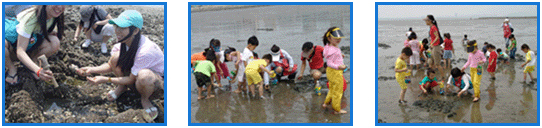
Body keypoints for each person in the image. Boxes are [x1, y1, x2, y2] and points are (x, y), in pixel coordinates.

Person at [76, 10, 164, 120]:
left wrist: (106, 79)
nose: (117, 31)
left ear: (135, 30)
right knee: (115, 58)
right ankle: (122, 87)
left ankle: (145, 99)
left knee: (144, 76)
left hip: (154, 83)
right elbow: (110, 65)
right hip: (135, 76)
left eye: (122, 28)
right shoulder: (121, 43)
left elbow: (131, 79)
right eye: (116, 26)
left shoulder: (145, 51)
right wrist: (92, 69)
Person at [5, 5, 65, 86]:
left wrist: (48, 32)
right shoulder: (32, 18)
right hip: (11, 46)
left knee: (54, 42)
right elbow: (20, 51)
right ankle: (11, 68)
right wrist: (38, 71)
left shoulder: (54, 16)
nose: (59, 7)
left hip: (29, 43)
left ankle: (32, 62)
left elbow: (39, 29)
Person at [321, 27, 348, 114]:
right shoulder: (333, 50)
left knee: (332, 88)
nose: (338, 40)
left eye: (339, 38)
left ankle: (326, 102)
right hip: (335, 72)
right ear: (329, 38)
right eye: (336, 38)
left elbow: (332, 58)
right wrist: (339, 67)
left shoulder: (328, 47)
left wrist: (340, 56)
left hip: (330, 72)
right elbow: (329, 63)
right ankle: (337, 109)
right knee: (338, 91)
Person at [424, 14, 444, 79]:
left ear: (430, 21)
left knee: (437, 64)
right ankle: (431, 77)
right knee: (431, 62)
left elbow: (437, 37)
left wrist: (432, 43)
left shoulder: (433, 27)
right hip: (433, 47)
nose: (425, 22)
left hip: (436, 47)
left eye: (426, 20)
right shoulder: (431, 27)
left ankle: (443, 77)